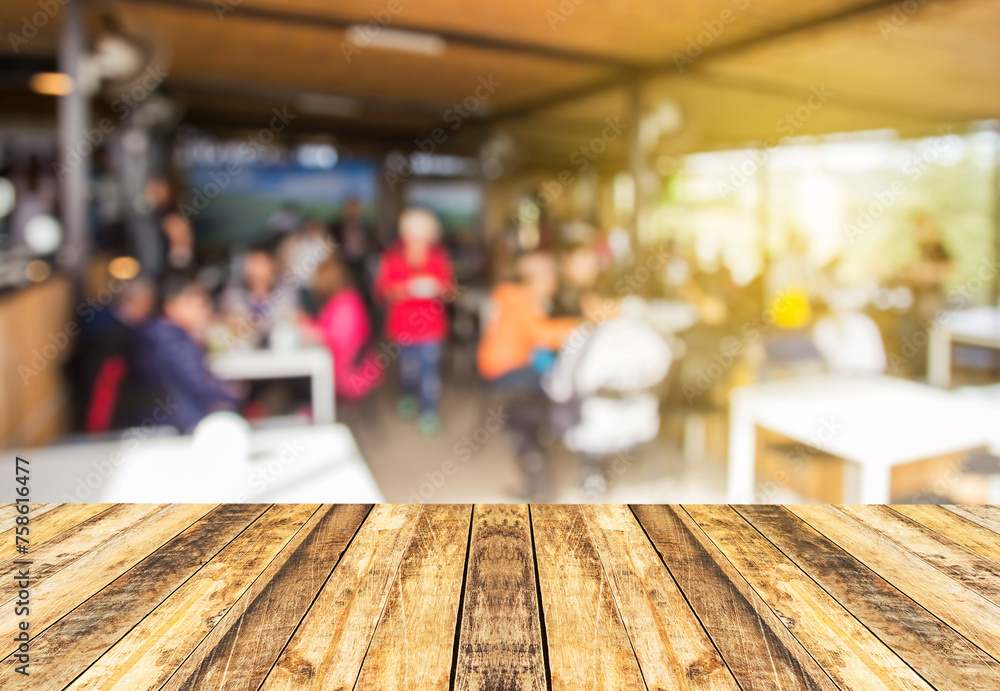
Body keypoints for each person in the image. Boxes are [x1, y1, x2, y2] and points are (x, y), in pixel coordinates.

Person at [544, 277, 672, 497]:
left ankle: (590, 472)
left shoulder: (584, 338)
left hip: (595, 428)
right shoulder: (651, 336)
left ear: (591, 302)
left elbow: (559, 388)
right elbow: (664, 373)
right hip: (643, 422)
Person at [477, 251, 579, 498]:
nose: (555, 284)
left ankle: (538, 455)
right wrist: (581, 324)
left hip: (511, 364)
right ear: (538, 279)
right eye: (552, 278)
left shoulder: (513, 294)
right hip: (503, 369)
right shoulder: (521, 298)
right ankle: (543, 450)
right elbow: (541, 335)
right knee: (555, 392)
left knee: (553, 386)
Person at [374, 208, 454, 435]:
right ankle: (407, 395)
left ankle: (429, 412)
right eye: (414, 236)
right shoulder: (391, 258)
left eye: (424, 237)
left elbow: (450, 291)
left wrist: (439, 289)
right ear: (405, 235)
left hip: (432, 327)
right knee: (409, 370)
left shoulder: (439, 258)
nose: (419, 242)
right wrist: (403, 289)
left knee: (429, 373)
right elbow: (381, 291)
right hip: (403, 327)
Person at [134, 275, 240, 433]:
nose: (206, 311)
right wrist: (231, 395)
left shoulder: (163, 334)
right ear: (172, 305)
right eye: (199, 305)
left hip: (175, 420)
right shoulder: (171, 339)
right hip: (183, 424)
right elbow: (196, 382)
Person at [300, 256, 384, 400]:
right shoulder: (342, 300)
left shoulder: (346, 304)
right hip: (349, 368)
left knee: (300, 380)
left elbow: (340, 340)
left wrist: (315, 333)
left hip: (349, 372)